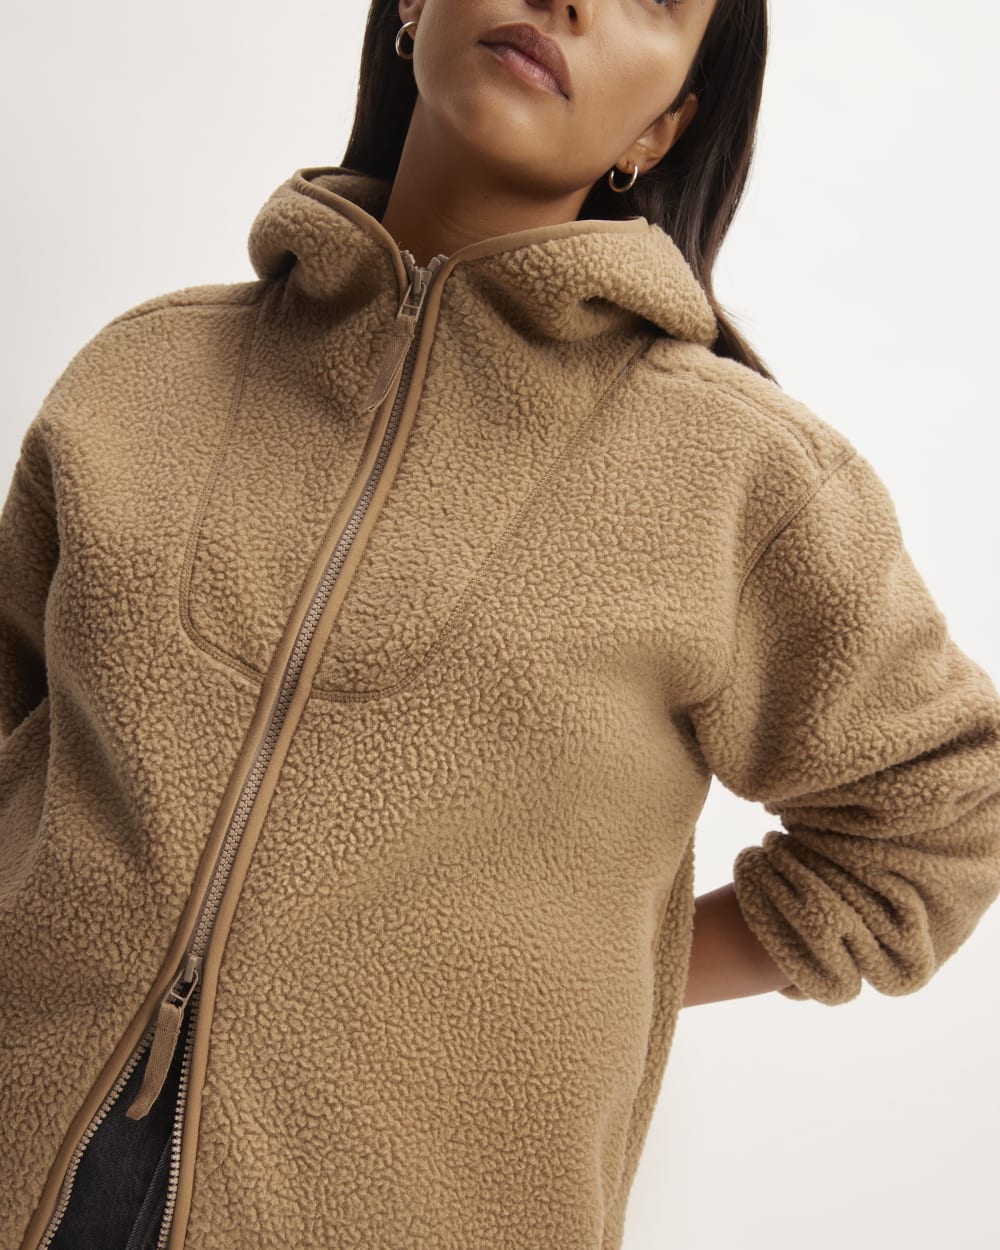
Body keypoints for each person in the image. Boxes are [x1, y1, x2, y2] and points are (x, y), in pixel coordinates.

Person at [2, 1, 999, 1248]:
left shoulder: (740, 478)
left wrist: (597, 985)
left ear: (660, 129)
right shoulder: (144, 375)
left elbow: (944, 817)